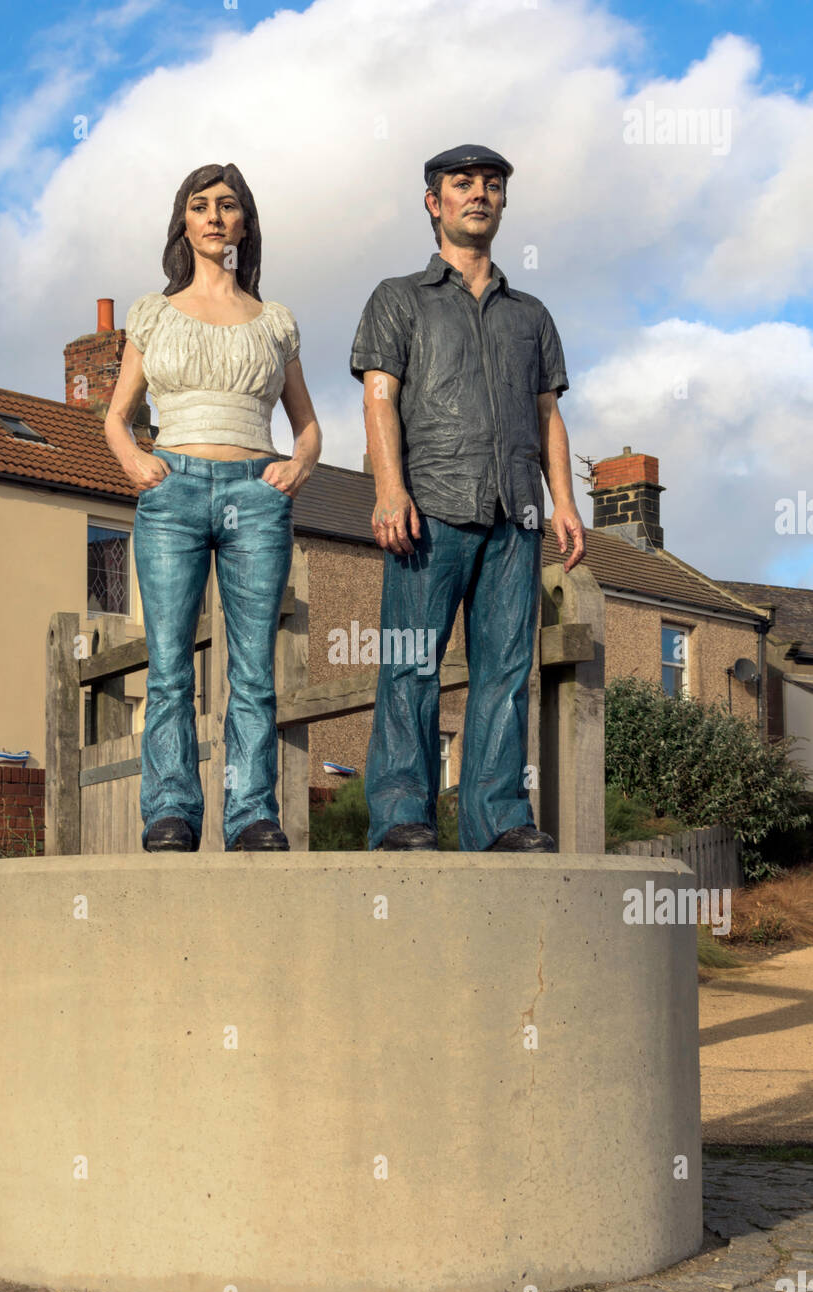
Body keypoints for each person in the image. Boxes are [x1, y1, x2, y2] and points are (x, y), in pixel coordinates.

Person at [350, 143, 586, 853]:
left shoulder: (531, 314)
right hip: (429, 513)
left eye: (490, 185)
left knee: (506, 674)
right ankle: (401, 817)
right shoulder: (398, 298)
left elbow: (547, 412)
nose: (477, 194)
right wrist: (389, 490)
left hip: (515, 515)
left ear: (502, 203)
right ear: (434, 203)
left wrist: (565, 503)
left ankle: (499, 819)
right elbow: (379, 398)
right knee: (409, 667)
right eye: (461, 184)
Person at [105, 162, 321, 853]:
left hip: (256, 494)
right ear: (184, 222)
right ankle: (170, 811)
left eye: (228, 205)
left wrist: (297, 467)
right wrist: (136, 462)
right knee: (169, 664)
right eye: (200, 206)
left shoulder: (274, 321)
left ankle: (252, 812)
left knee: (252, 667)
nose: (214, 216)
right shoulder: (153, 313)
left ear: (244, 224)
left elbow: (308, 424)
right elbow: (116, 416)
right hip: (172, 491)